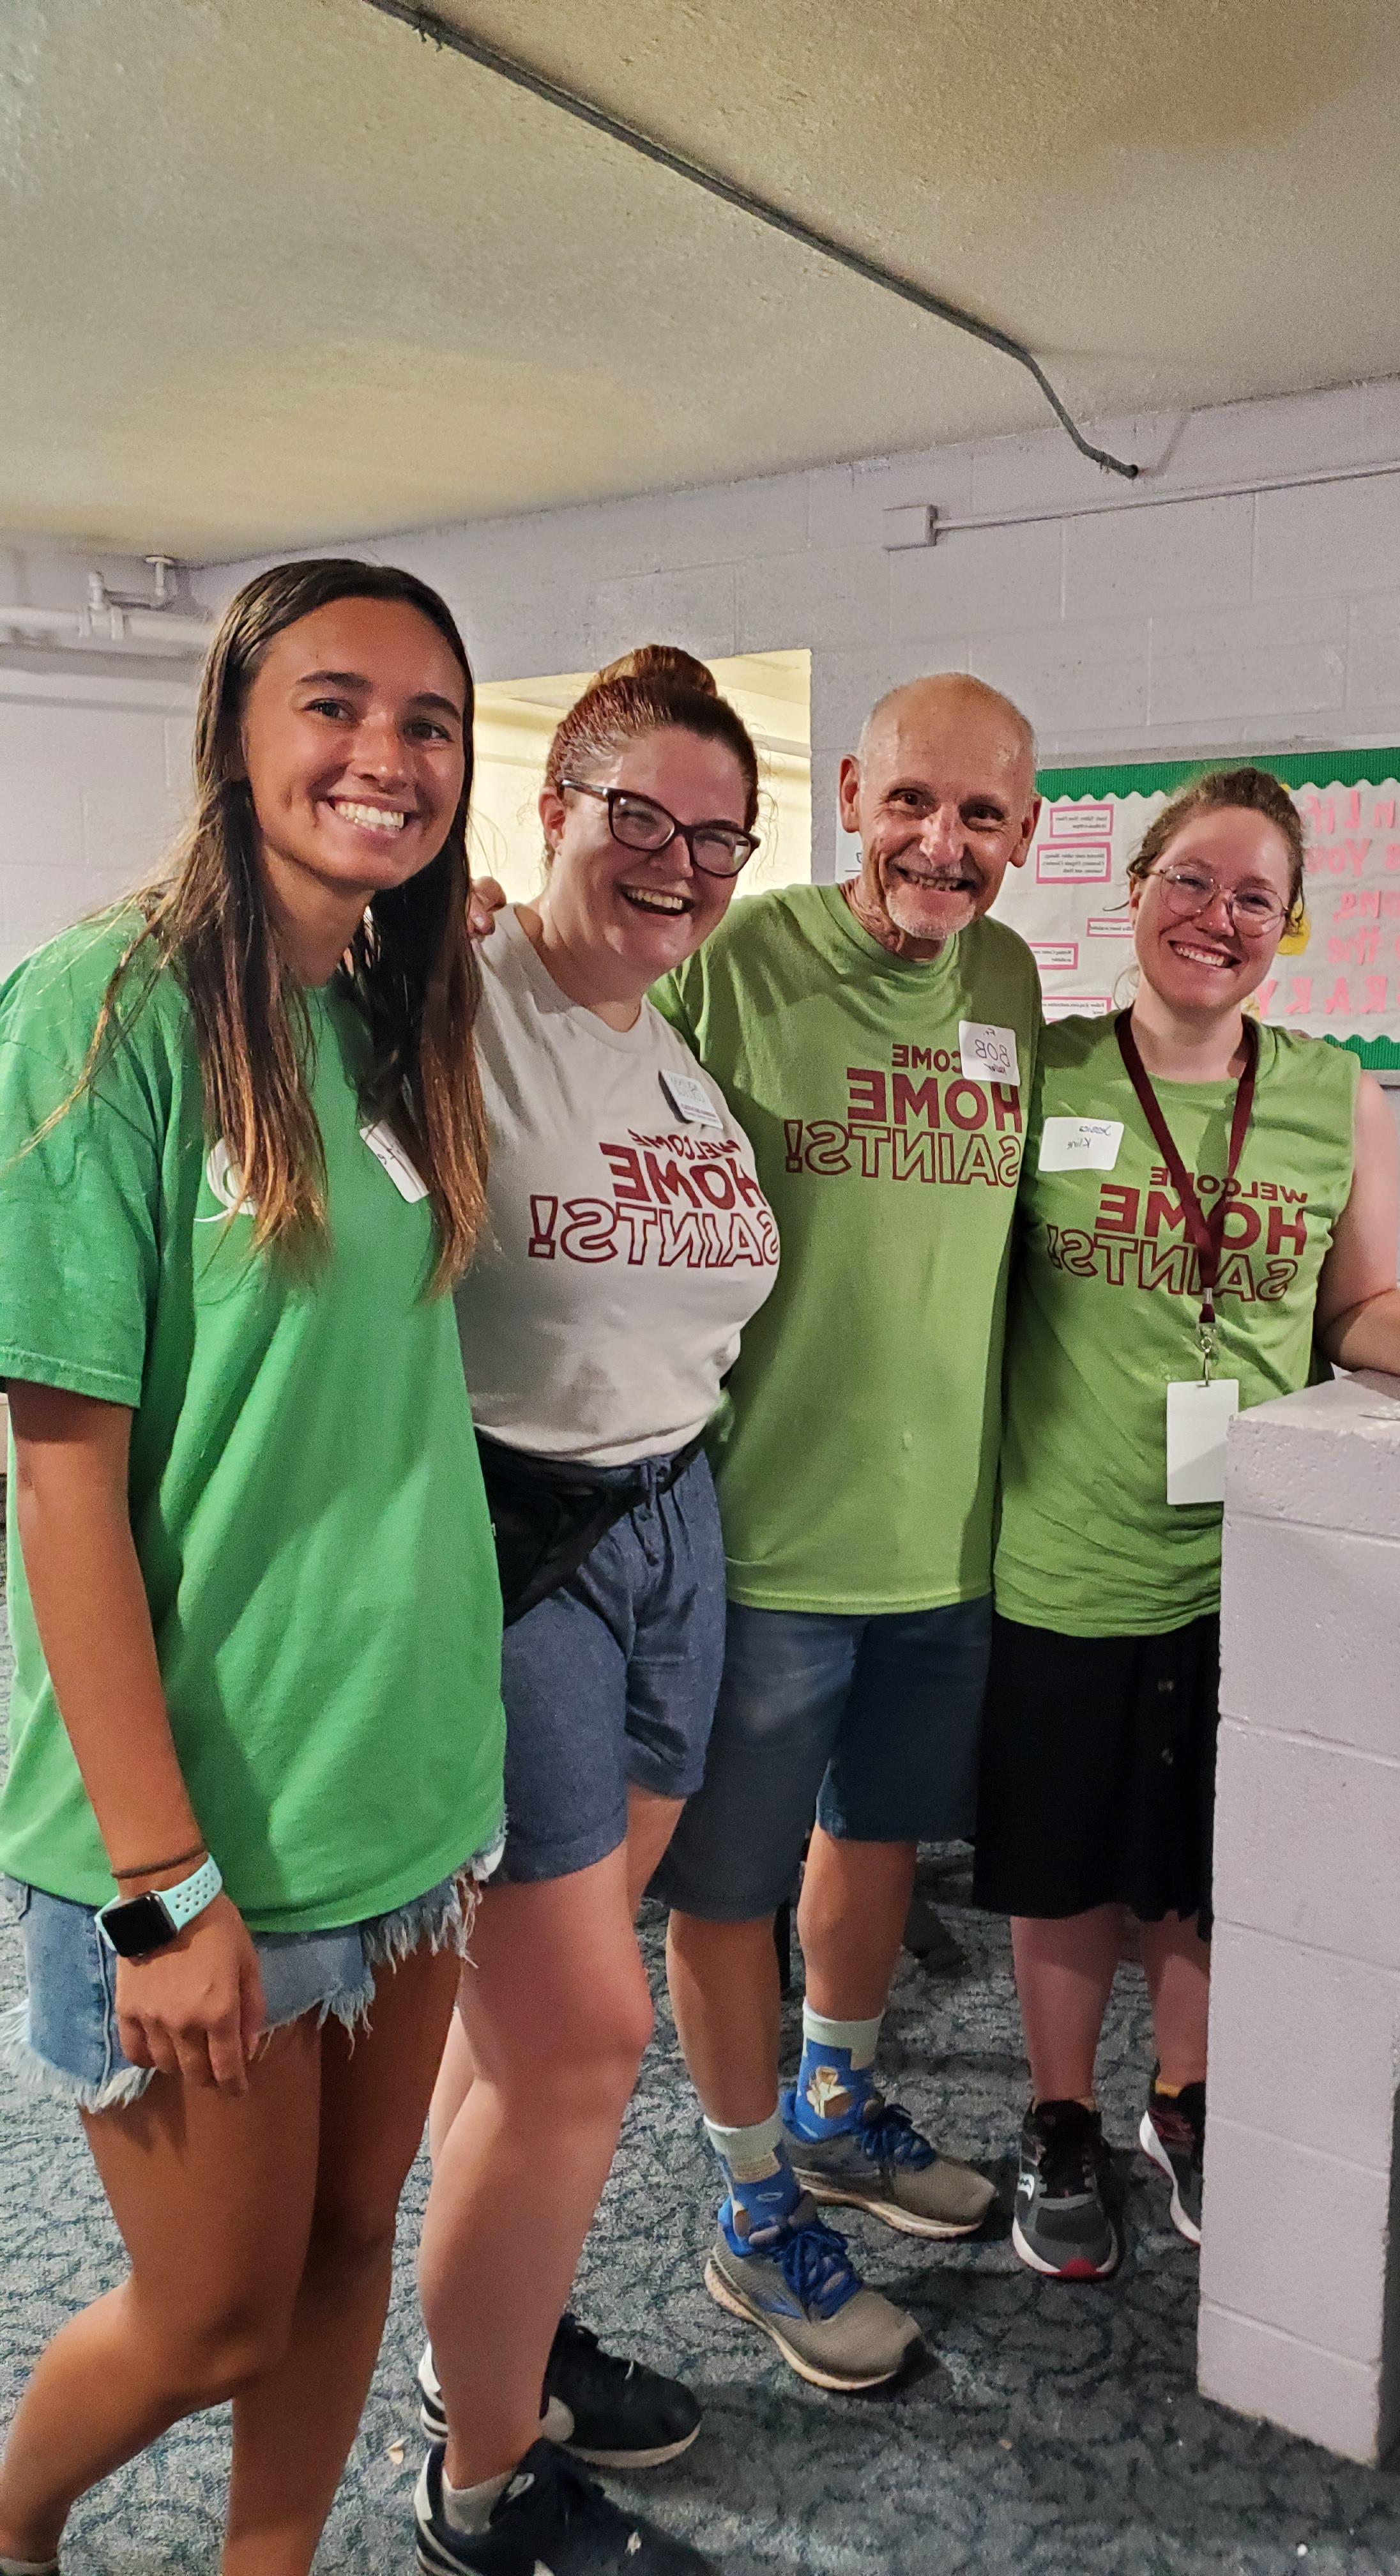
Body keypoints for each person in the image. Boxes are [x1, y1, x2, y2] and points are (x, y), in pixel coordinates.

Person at [0, 560, 506, 2576]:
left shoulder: (394, 1015)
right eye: (336, 704)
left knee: (349, 2239)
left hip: (405, 1779)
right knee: (211, 2309)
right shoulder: (101, 1009)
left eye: (430, 722)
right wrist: (159, 1885)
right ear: (232, 723)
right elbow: (57, 1485)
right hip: (190, 1824)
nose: (384, 755)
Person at [973, 766, 1400, 2280]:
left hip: (1259, 1562)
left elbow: (1355, 1303)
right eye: (1189, 882)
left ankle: (1187, 2097)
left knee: (1213, 1858)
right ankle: (1056, 2121)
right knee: (1068, 1864)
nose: (1214, 919)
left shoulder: (1331, 1093)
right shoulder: (1050, 1070)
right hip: (1068, 1549)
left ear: (1290, 930)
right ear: (1136, 889)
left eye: (1253, 898)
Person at [411, 648, 774, 2576]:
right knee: (583, 2043)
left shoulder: (668, 1036)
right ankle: (479, 2485)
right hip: (511, 1544)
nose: (681, 862)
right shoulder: (442, 1003)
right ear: (554, 804)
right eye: (640, 816)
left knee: (531, 2024)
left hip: (670, 1530)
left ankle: (502, 2328)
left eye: (717, 836)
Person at [645, 673, 1042, 2389]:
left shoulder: (1015, 985)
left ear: (1026, 836)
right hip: (762, 1535)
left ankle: (834, 2103)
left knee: (875, 1843)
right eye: (912, 804)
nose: (941, 850)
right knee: (725, 1893)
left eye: (984, 820)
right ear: (852, 794)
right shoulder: (736, 960)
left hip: (946, 1538)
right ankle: (749, 2216)